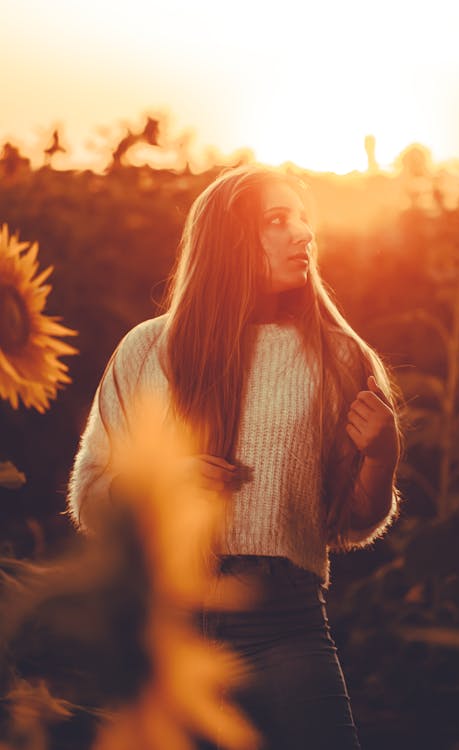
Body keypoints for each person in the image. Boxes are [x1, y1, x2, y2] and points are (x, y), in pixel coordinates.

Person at [67, 163, 401, 749]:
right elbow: (91, 496)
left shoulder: (340, 359)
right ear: (228, 239)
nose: (303, 234)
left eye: (304, 220)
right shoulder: (147, 349)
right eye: (278, 220)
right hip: (161, 627)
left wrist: (382, 458)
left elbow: (348, 523)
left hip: (283, 623)